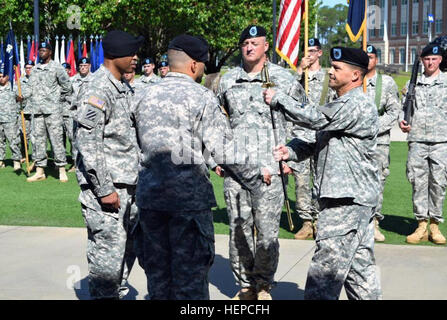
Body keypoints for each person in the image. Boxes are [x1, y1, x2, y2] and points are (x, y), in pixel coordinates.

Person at [134, 34, 261, 300]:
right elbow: (225, 151)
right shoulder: (201, 97)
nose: (204, 69)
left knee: (158, 281)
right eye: (203, 64)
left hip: (149, 203)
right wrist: (257, 177)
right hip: (188, 206)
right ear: (193, 65)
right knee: (190, 284)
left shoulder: (142, 94)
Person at [265, 47, 382, 300]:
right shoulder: (340, 105)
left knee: (323, 277)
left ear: (355, 75)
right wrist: (291, 151)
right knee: (359, 276)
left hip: (345, 202)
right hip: (352, 201)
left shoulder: (356, 103)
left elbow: (316, 119)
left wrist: (279, 98)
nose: (331, 70)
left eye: (338, 68)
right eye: (332, 65)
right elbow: (316, 138)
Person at [216, 25, 306, 300]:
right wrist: (218, 157)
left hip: (271, 170)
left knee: (267, 234)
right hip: (237, 172)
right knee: (239, 231)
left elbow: (303, 122)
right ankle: (245, 286)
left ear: (267, 46)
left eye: (255, 42)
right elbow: (217, 121)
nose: (249, 47)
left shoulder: (285, 80)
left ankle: (264, 284)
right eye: (245, 43)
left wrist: (293, 157)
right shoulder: (228, 80)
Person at [73, 30, 143, 299]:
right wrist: (104, 189)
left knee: (125, 254)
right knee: (107, 259)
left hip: (128, 186)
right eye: (132, 53)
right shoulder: (97, 88)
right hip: (108, 190)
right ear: (115, 55)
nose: (136, 58)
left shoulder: (122, 85)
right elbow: (89, 143)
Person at [399, 44, 447, 245]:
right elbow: (402, 108)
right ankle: (421, 224)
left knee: (439, 182)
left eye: (434, 59)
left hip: (442, 141)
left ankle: (435, 225)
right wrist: (401, 121)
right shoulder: (413, 84)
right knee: (418, 182)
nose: (430, 62)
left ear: (440, 60)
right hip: (417, 140)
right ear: (422, 61)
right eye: (426, 59)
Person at [291, 38, 335, 240]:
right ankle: (306, 221)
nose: (308, 55)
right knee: (301, 182)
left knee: (321, 180)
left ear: (319, 53)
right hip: (300, 135)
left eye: (312, 51)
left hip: (322, 136)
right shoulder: (299, 77)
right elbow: (288, 96)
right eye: (305, 51)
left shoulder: (329, 77)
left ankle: (320, 220)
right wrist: (300, 71)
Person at [365, 44, 402, 242]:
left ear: (376, 60)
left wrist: (373, 127)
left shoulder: (385, 82)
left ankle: (374, 223)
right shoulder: (353, 80)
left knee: (377, 183)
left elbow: (394, 111)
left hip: (378, 142)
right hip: (355, 143)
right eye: (364, 57)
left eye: (371, 57)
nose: (367, 60)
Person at [21, 41, 72, 182]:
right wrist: (22, 96)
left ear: (50, 52)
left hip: (53, 111)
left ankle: (61, 168)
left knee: (56, 140)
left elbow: (67, 86)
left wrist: (56, 98)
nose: (41, 52)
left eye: (44, 50)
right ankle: (40, 171)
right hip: (37, 110)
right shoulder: (36, 69)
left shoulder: (57, 67)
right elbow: (29, 87)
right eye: (40, 50)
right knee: (39, 141)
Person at [67, 57, 93, 172]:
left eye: (85, 66)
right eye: (81, 66)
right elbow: (67, 94)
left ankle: (90, 163)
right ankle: (76, 163)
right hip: (76, 114)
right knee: (74, 138)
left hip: (90, 114)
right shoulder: (72, 80)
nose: (83, 68)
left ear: (89, 66)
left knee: (90, 138)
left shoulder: (95, 79)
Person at [0, 72, 21, 171]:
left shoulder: (14, 88)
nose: (1, 79)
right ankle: (1, 160)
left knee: (13, 141)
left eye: (3, 76)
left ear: (7, 77)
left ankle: (16, 160)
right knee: (0, 141)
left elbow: (21, 100)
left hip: (10, 119)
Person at [16, 60, 35, 170]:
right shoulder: (20, 81)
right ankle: (24, 155)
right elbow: (16, 94)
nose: (28, 70)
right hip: (24, 112)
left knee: (36, 136)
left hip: (35, 111)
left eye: (30, 67)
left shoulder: (38, 80)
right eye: (27, 68)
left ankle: (37, 156)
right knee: (24, 135)